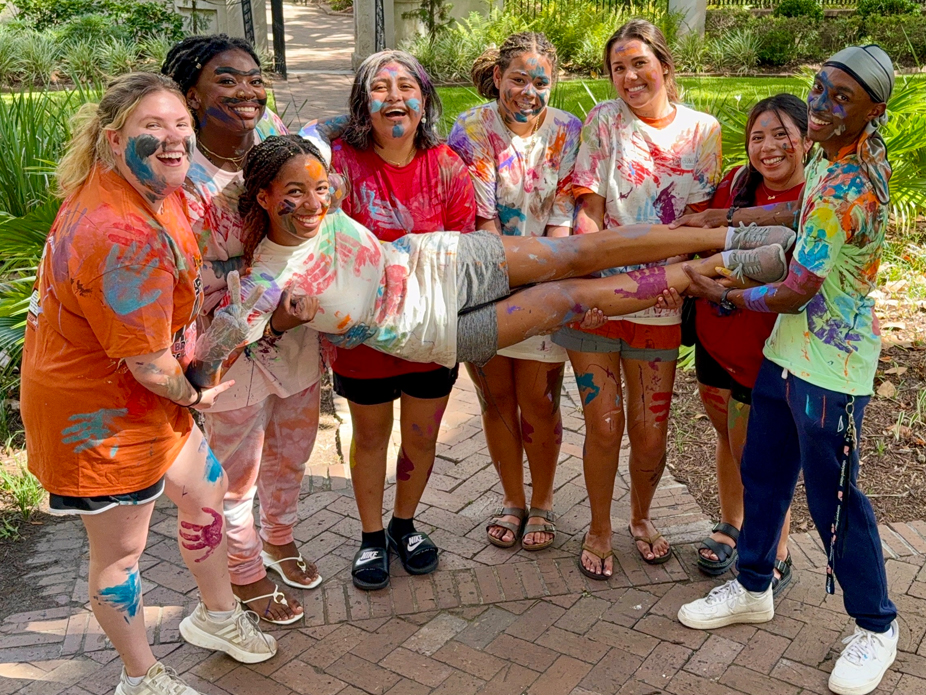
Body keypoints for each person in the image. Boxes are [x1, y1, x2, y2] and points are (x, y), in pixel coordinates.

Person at [19, 72, 275, 695]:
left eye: (181, 123)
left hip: (144, 396)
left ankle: (217, 617)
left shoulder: (151, 191)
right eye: (152, 127)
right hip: (96, 418)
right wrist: (196, 393)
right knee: (121, 556)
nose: (174, 138)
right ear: (113, 139)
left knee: (205, 493)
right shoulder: (122, 235)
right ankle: (141, 678)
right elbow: (150, 366)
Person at [230, 134, 791, 411]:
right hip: (434, 333)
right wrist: (280, 322)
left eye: (319, 188)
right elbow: (223, 350)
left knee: (573, 254)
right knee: (565, 299)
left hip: (440, 259)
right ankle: (718, 270)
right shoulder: (267, 280)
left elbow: (335, 125)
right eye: (294, 193)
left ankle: (730, 238)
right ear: (264, 197)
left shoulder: (324, 200)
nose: (313, 203)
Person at [677, 45, 900, 695]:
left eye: (841, 97)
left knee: (835, 501)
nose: (822, 105)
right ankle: (753, 585)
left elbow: (798, 287)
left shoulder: (853, 182)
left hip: (832, 367)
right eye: (819, 88)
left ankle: (876, 624)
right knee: (764, 471)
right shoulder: (834, 154)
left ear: (873, 111)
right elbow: (795, 214)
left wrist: (725, 294)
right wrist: (728, 216)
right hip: (787, 352)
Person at [162, 34, 326, 623]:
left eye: (254, 79)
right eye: (226, 80)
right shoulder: (177, 167)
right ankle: (244, 569)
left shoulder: (272, 134)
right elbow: (179, 266)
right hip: (224, 339)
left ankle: (279, 537)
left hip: (294, 328)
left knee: (292, 449)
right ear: (191, 94)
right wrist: (253, 274)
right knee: (235, 472)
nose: (246, 91)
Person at [554, 19, 723, 577]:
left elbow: (696, 222)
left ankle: (642, 517)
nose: (628, 76)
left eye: (639, 64)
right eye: (618, 68)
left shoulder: (702, 132)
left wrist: (666, 280)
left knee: (650, 435)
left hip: (662, 302)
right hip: (598, 300)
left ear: (665, 67)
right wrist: (589, 284)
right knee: (604, 425)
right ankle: (600, 528)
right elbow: (589, 208)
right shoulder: (604, 121)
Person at [320, 50, 477, 590]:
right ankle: (370, 536)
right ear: (361, 103)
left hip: (431, 330)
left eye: (407, 86)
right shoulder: (339, 163)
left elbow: (464, 252)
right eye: (379, 88)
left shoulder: (447, 166)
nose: (394, 97)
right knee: (369, 437)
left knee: (421, 436)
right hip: (363, 334)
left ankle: (404, 525)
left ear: (424, 101)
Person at [448, 33, 598, 552]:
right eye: (518, 79)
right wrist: (505, 291)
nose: (529, 92)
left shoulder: (568, 130)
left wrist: (541, 292)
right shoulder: (471, 128)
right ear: (498, 78)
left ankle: (544, 502)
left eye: (540, 81)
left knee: (539, 399)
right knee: (496, 399)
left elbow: (563, 215)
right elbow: (483, 218)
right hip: (484, 281)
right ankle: (512, 500)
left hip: (547, 281)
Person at [690, 94, 811, 590]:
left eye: (782, 135)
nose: (768, 147)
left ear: (807, 140)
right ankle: (733, 522)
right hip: (715, 336)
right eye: (758, 136)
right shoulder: (737, 184)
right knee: (727, 437)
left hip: (769, 348)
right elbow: (701, 238)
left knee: (762, 455)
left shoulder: (818, 196)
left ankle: (775, 547)